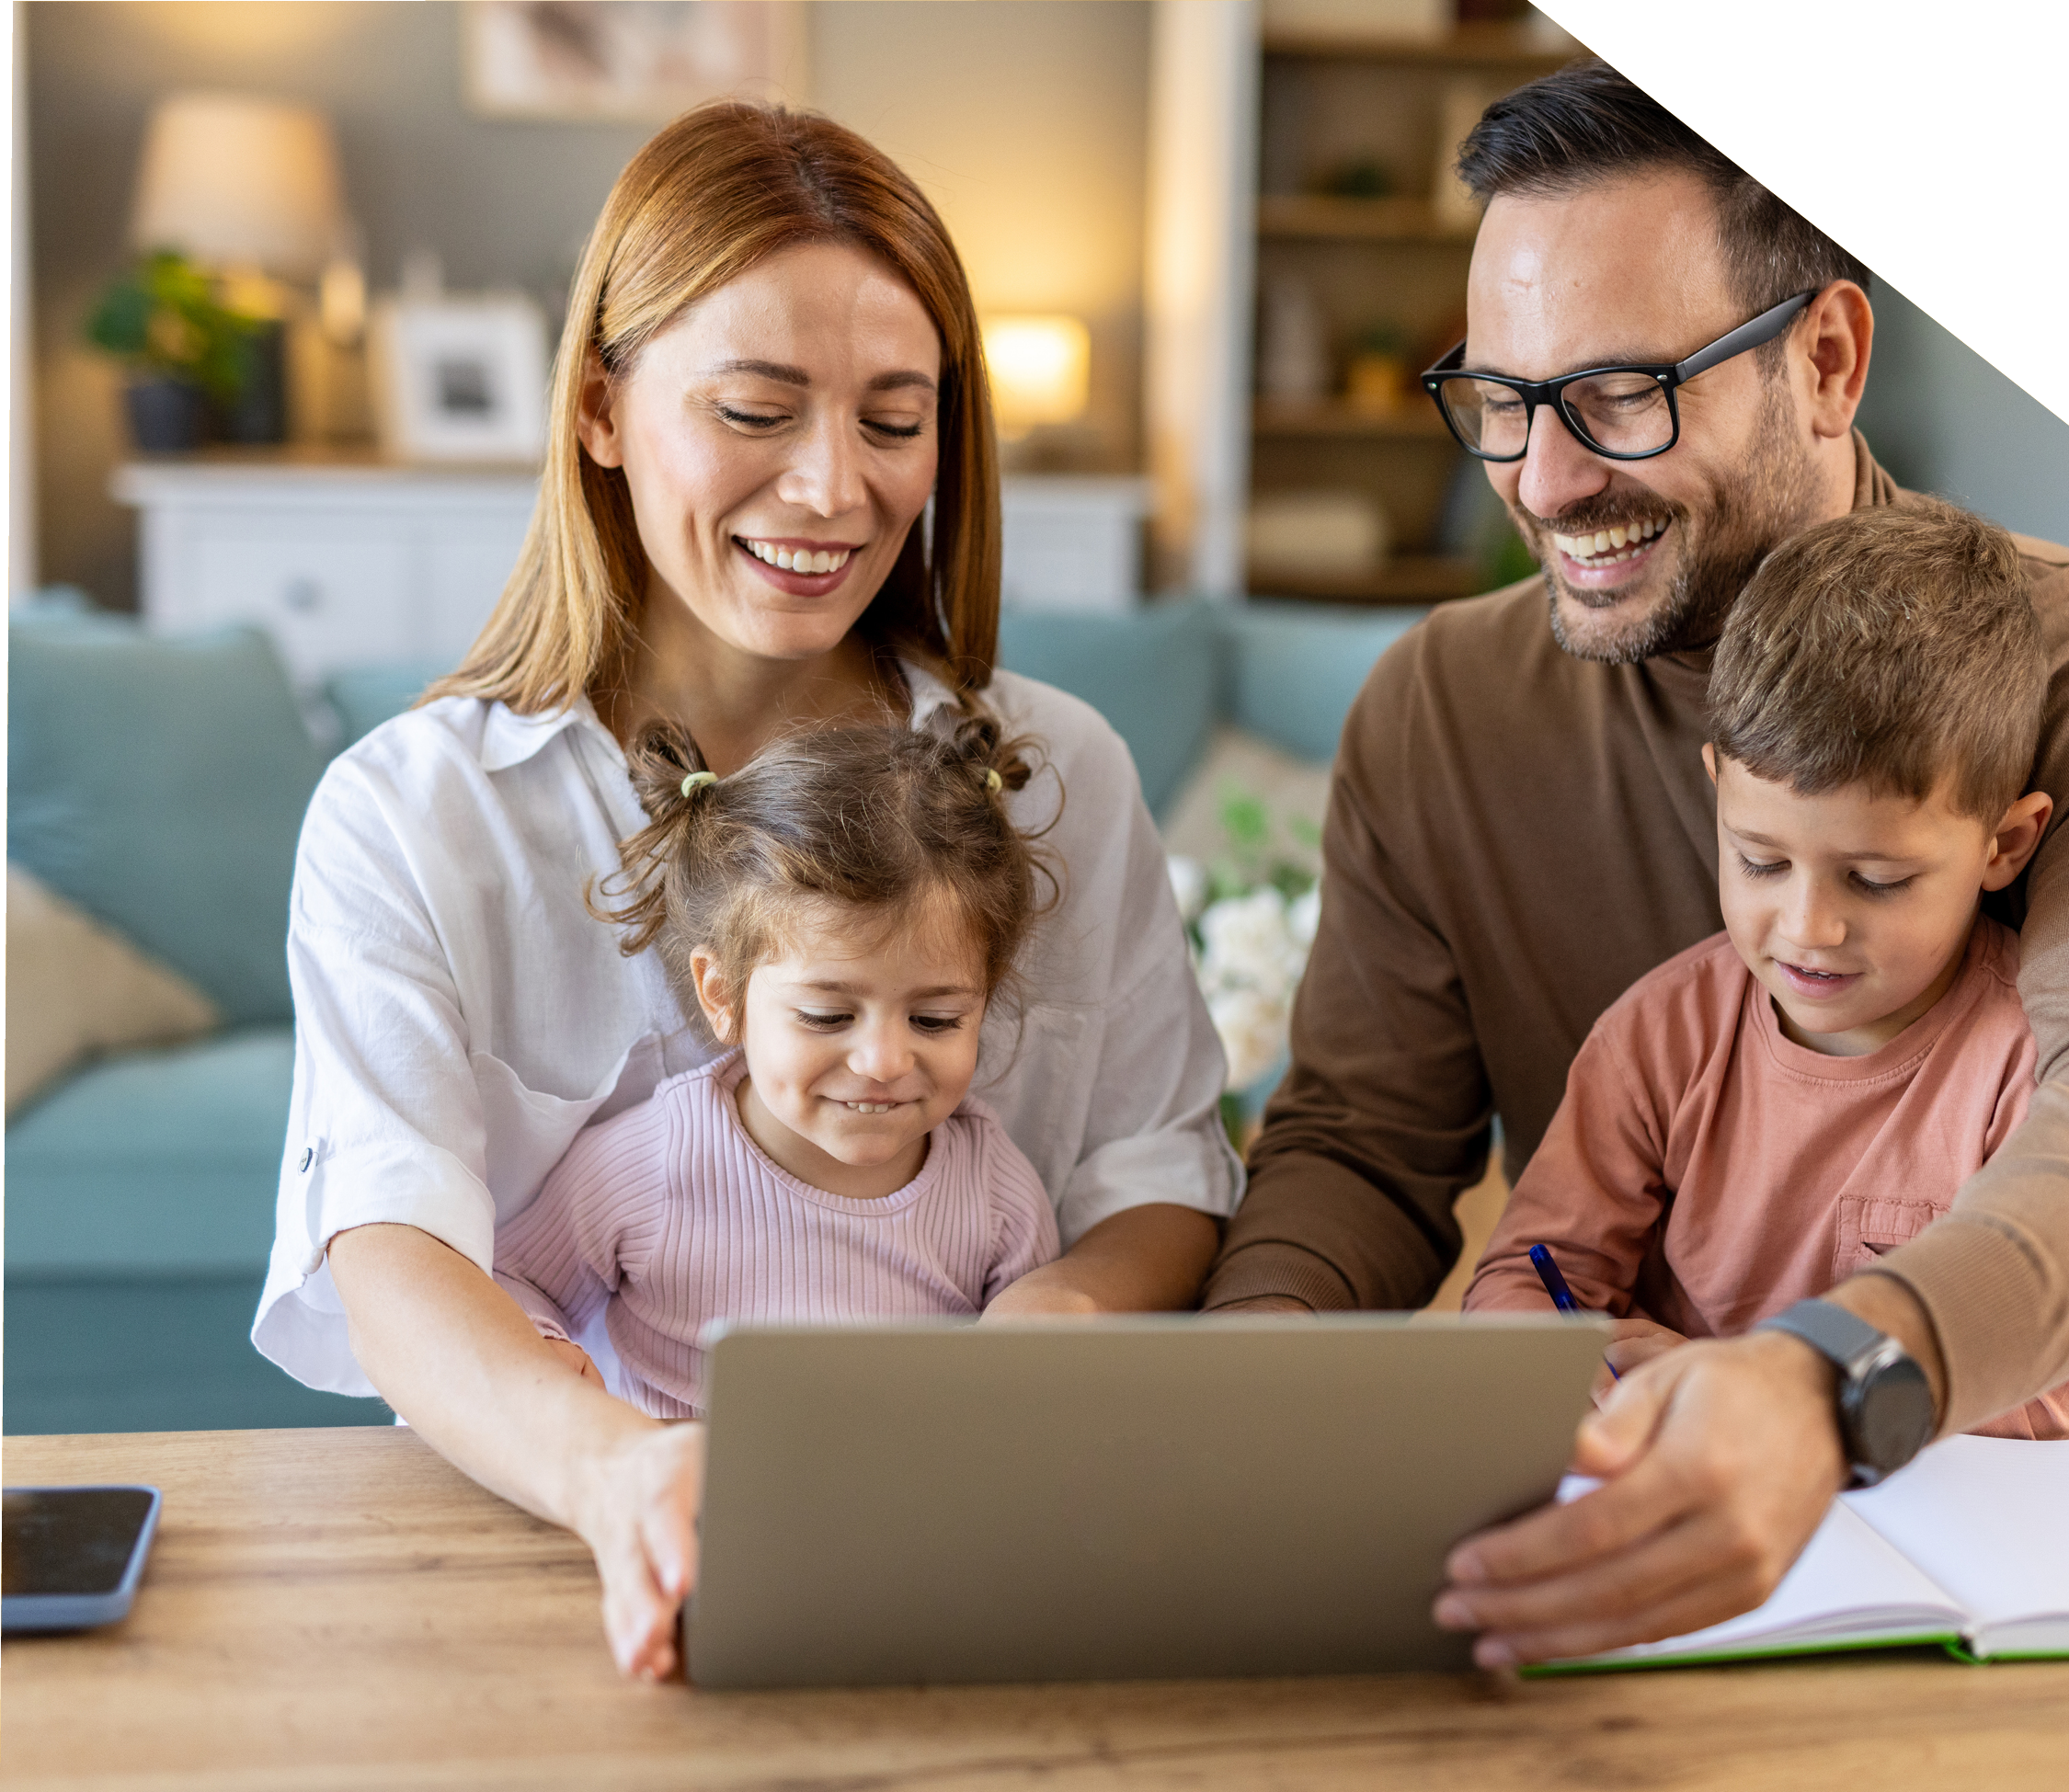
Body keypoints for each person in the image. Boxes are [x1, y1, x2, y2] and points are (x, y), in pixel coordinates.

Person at [256, 103, 1240, 1681]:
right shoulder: (413, 814)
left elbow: (1159, 1164)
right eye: (757, 409)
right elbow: (391, 1243)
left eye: (895, 420)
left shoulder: (1061, 770)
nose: (833, 490)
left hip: (987, 1549)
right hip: (566, 1566)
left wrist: (1055, 1317)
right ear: (598, 409)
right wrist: (611, 1466)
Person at [1201, 59, 2069, 1665]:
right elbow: (1366, 1151)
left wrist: (1829, 1379)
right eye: (1502, 403)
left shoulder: (2053, 664)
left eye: (1616, 395)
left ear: (1824, 355)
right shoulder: (1439, 710)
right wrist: (1257, 1379)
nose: (1540, 482)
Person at [1464, 503, 2069, 1442]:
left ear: (2007, 843)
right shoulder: (1659, 1037)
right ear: (1717, 789)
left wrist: (1776, 1383)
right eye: (1759, 859)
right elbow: (1522, 1275)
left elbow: (2049, 1391)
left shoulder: (2018, 1066)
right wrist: (1558, 1347)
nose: (1808, 927)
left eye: (1877, 879)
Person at [492, 715, 1063, 1415]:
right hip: (681, 1509)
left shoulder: (994, 1191)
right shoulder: (655, 1160)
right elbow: (511, 1279)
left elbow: (1039, 1393)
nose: (884, 1060)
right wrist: (545, 1355)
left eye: (935, 1020)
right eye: (828, 1016)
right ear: (723, 996)